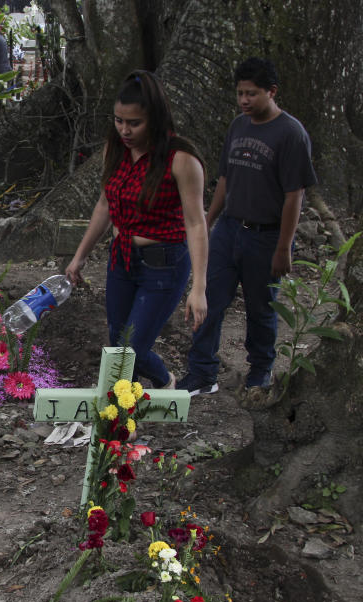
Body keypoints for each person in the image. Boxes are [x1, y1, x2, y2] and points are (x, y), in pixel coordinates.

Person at [177, 58, 317, 396]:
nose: (244, 100)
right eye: (240, 93)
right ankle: (201, 371)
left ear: (272, 92)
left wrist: (284, 247)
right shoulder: (238, 126)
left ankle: (260, 371)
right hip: (228, 229)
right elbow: (225, 178)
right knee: (209, 297)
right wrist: (207, 222)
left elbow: (293, 196)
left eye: (251, 94)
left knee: (261, 308)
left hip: (266, 235)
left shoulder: (291, 134)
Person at [66, 70, 208, 390]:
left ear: (155, 119)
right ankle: (150, 390)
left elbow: (197, 223)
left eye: (134, 123)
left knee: (131, 350)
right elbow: (105, 205)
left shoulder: (181, 160)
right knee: (118, 348)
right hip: (122, 259)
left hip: (164, 263)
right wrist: (80, 257)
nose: (125, 130)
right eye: (119, 121)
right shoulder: (114, 149)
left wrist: (199, 287)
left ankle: (136, 404)